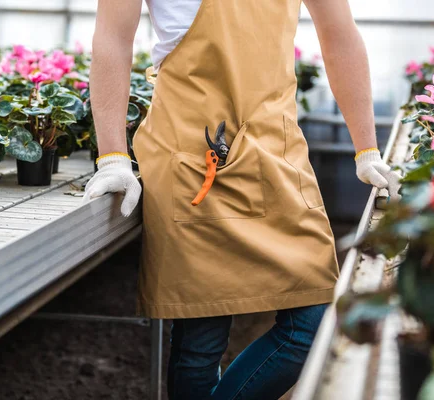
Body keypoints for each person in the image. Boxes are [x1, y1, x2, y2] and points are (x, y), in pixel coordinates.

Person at [82, 0, 402, 399]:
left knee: (311, 324)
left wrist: (366, 148)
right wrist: (113, 156)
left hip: (275, 152)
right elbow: (113, 38)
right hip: (193, 156)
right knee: (201, 343)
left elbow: (339, 34)